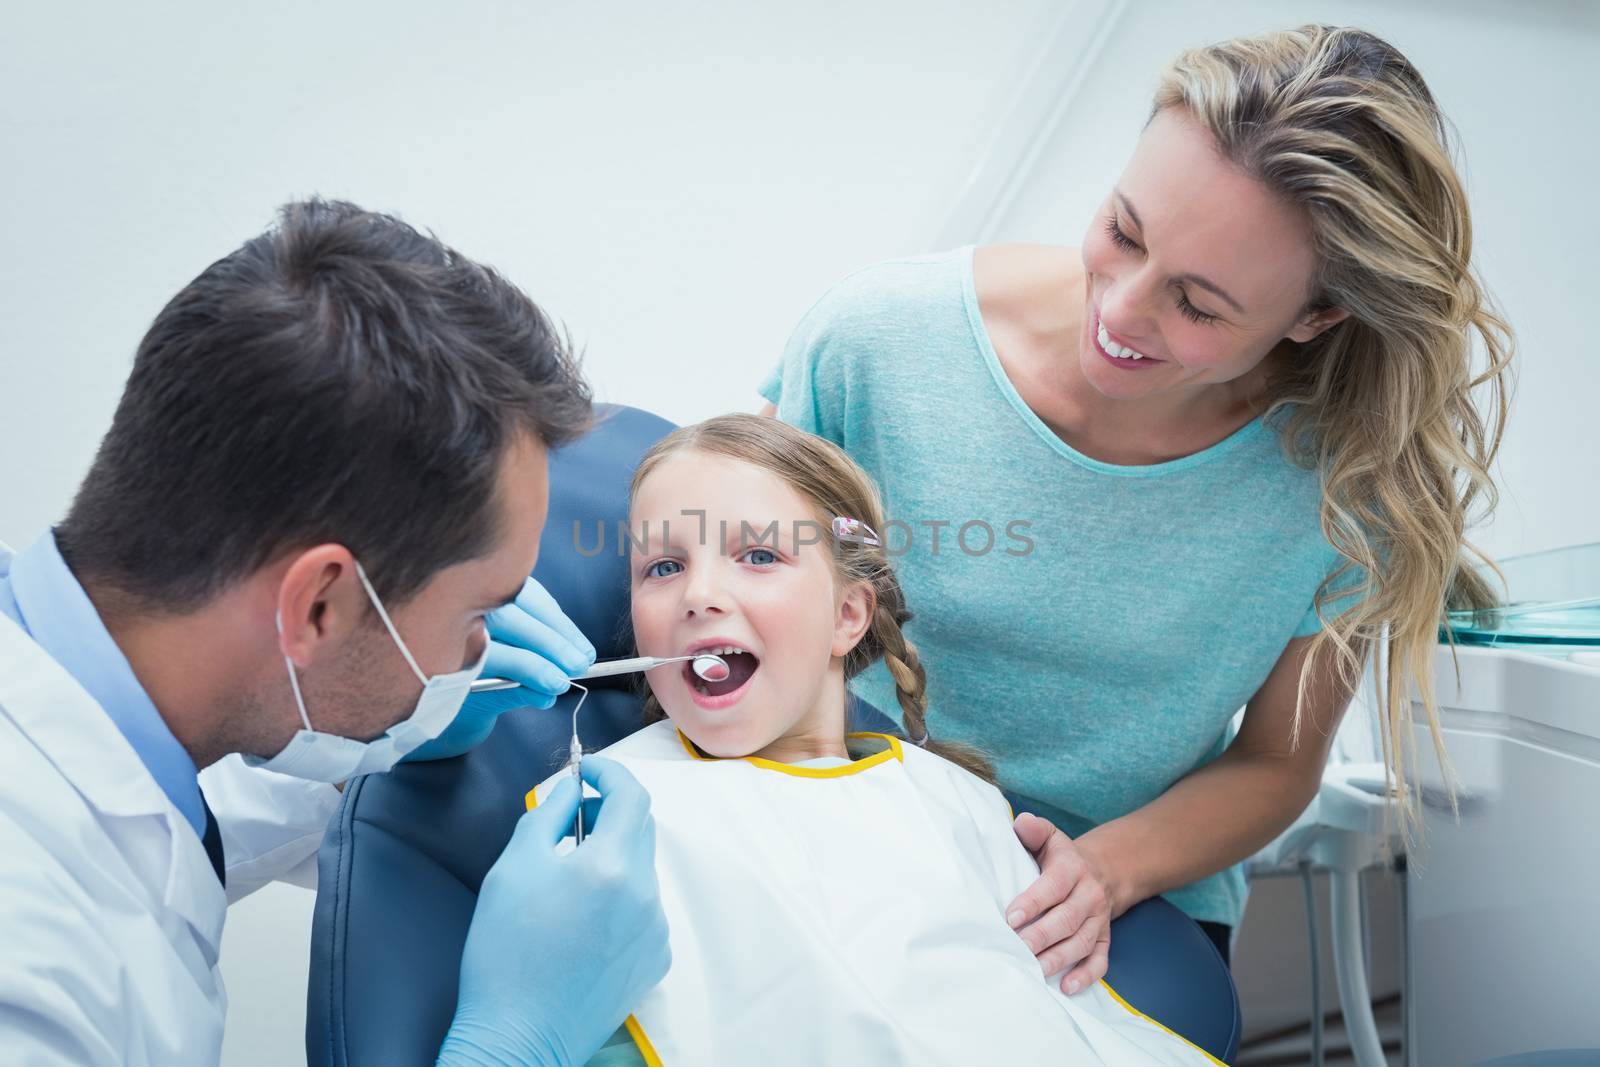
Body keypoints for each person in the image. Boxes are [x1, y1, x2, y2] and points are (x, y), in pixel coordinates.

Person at [759, 24, 1514, 981]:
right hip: (843, 809)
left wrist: (1105, 871)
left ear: (1318, 317)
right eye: (1124, 230)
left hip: (1121, 890)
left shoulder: (1350, 491)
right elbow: (744, 587)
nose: (1117, 312)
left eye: (1199, 306)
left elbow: (1277, 763)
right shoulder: (875, 342)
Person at [0, 199, 669, 1065]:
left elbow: (165, 829)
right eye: (477, 613)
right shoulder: (29, 976)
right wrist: (511, 1043)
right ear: (319, 604)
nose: (480, 650)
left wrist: (381, 751)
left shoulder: (102, 728)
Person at [528, 413, 1221, 1065]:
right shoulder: (608, 811)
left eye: (760, 554)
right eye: (662, 567)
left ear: (847, 615)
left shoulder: (960, 805)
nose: (698, 593)